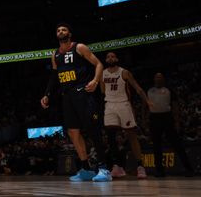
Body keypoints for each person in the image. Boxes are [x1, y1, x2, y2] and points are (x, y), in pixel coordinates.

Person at [40, 23, 111, 182]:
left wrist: (95, 80)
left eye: (63, 29)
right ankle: (86, 169)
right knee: (73, 132)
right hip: (67, 97)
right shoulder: (55, 54)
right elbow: (54, 77)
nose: (60, 32)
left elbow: (99, 64)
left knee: (93, 131)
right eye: (58, 30)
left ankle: (104, 169)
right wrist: (47, 95)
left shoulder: (79, 47)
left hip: (83, 93)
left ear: (69, 34)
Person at [100, 51, 151, 179]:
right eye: (108, 57)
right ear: (106, 60)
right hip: (110, 105)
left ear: (117, 58)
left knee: (131, 135)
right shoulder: (102, 74)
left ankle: (140, 166)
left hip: (123, 104)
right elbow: (102, 90)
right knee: (111, 137)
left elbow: (137, 88)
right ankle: (118, 167)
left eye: (113, 56)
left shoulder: (124, 72)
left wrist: (148, 101)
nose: (110, 58)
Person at [146, 72, 195, 177]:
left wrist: (177, 121)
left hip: (167, 117)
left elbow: (175, 105)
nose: (158, 79)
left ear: (163, 79)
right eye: (156, 77)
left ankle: (188, 168)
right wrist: (145, 121)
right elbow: (143, 106)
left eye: (160, 77)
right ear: (154, 79)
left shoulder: (169, 90)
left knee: (177, 143)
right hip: (154, 118)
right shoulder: (149, 91)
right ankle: (159, 171)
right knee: (156, 146)